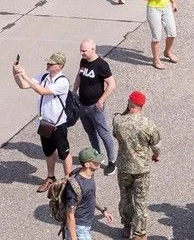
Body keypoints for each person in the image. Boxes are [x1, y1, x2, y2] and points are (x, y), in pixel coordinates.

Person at [13, 51, 74, 193]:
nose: (48, 65)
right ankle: (50, 177)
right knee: (48, 152)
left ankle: (68, 180)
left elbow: (41, 91)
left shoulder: (62, 82)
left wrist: (26, 75)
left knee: (64, 152)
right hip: (45, 123)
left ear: (59, 66)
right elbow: (23, 85)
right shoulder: (44, 76)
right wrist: (16, 73)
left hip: (58, 124)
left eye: (51, 63)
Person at [111, 89, 161, 240]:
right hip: (141, 169)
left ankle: (127, 226)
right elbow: (156, 147)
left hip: (124, 167)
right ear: (141, 105)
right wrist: (155, 156)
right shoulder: (148, 125)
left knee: (125, 197)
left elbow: (115, 133)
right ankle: (139, 234)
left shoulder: (118, 121)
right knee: (141, 201)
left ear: (129, 103)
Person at [75, 39, 118, 173]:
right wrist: (74, 91)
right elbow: (79, 75)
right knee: (90, 132)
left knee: (103, 133)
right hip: (82, 104)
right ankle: (97, 155)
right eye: (81, 50)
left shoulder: (101, 65)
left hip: (95, 106)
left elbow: (112, 84)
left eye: (84, 51)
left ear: (93, 49)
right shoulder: (83, 61)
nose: (81, 53)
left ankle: (112, 162)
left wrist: (101, 100)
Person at [61, 147, 113, 240]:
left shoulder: (89, 175)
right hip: (79, 228)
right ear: (87, 164)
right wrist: (74, 238)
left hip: (86, 224)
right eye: (96, 161)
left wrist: (103, 210)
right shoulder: (75, 186)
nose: (100, 162)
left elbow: (91, 196)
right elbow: (70, 215)